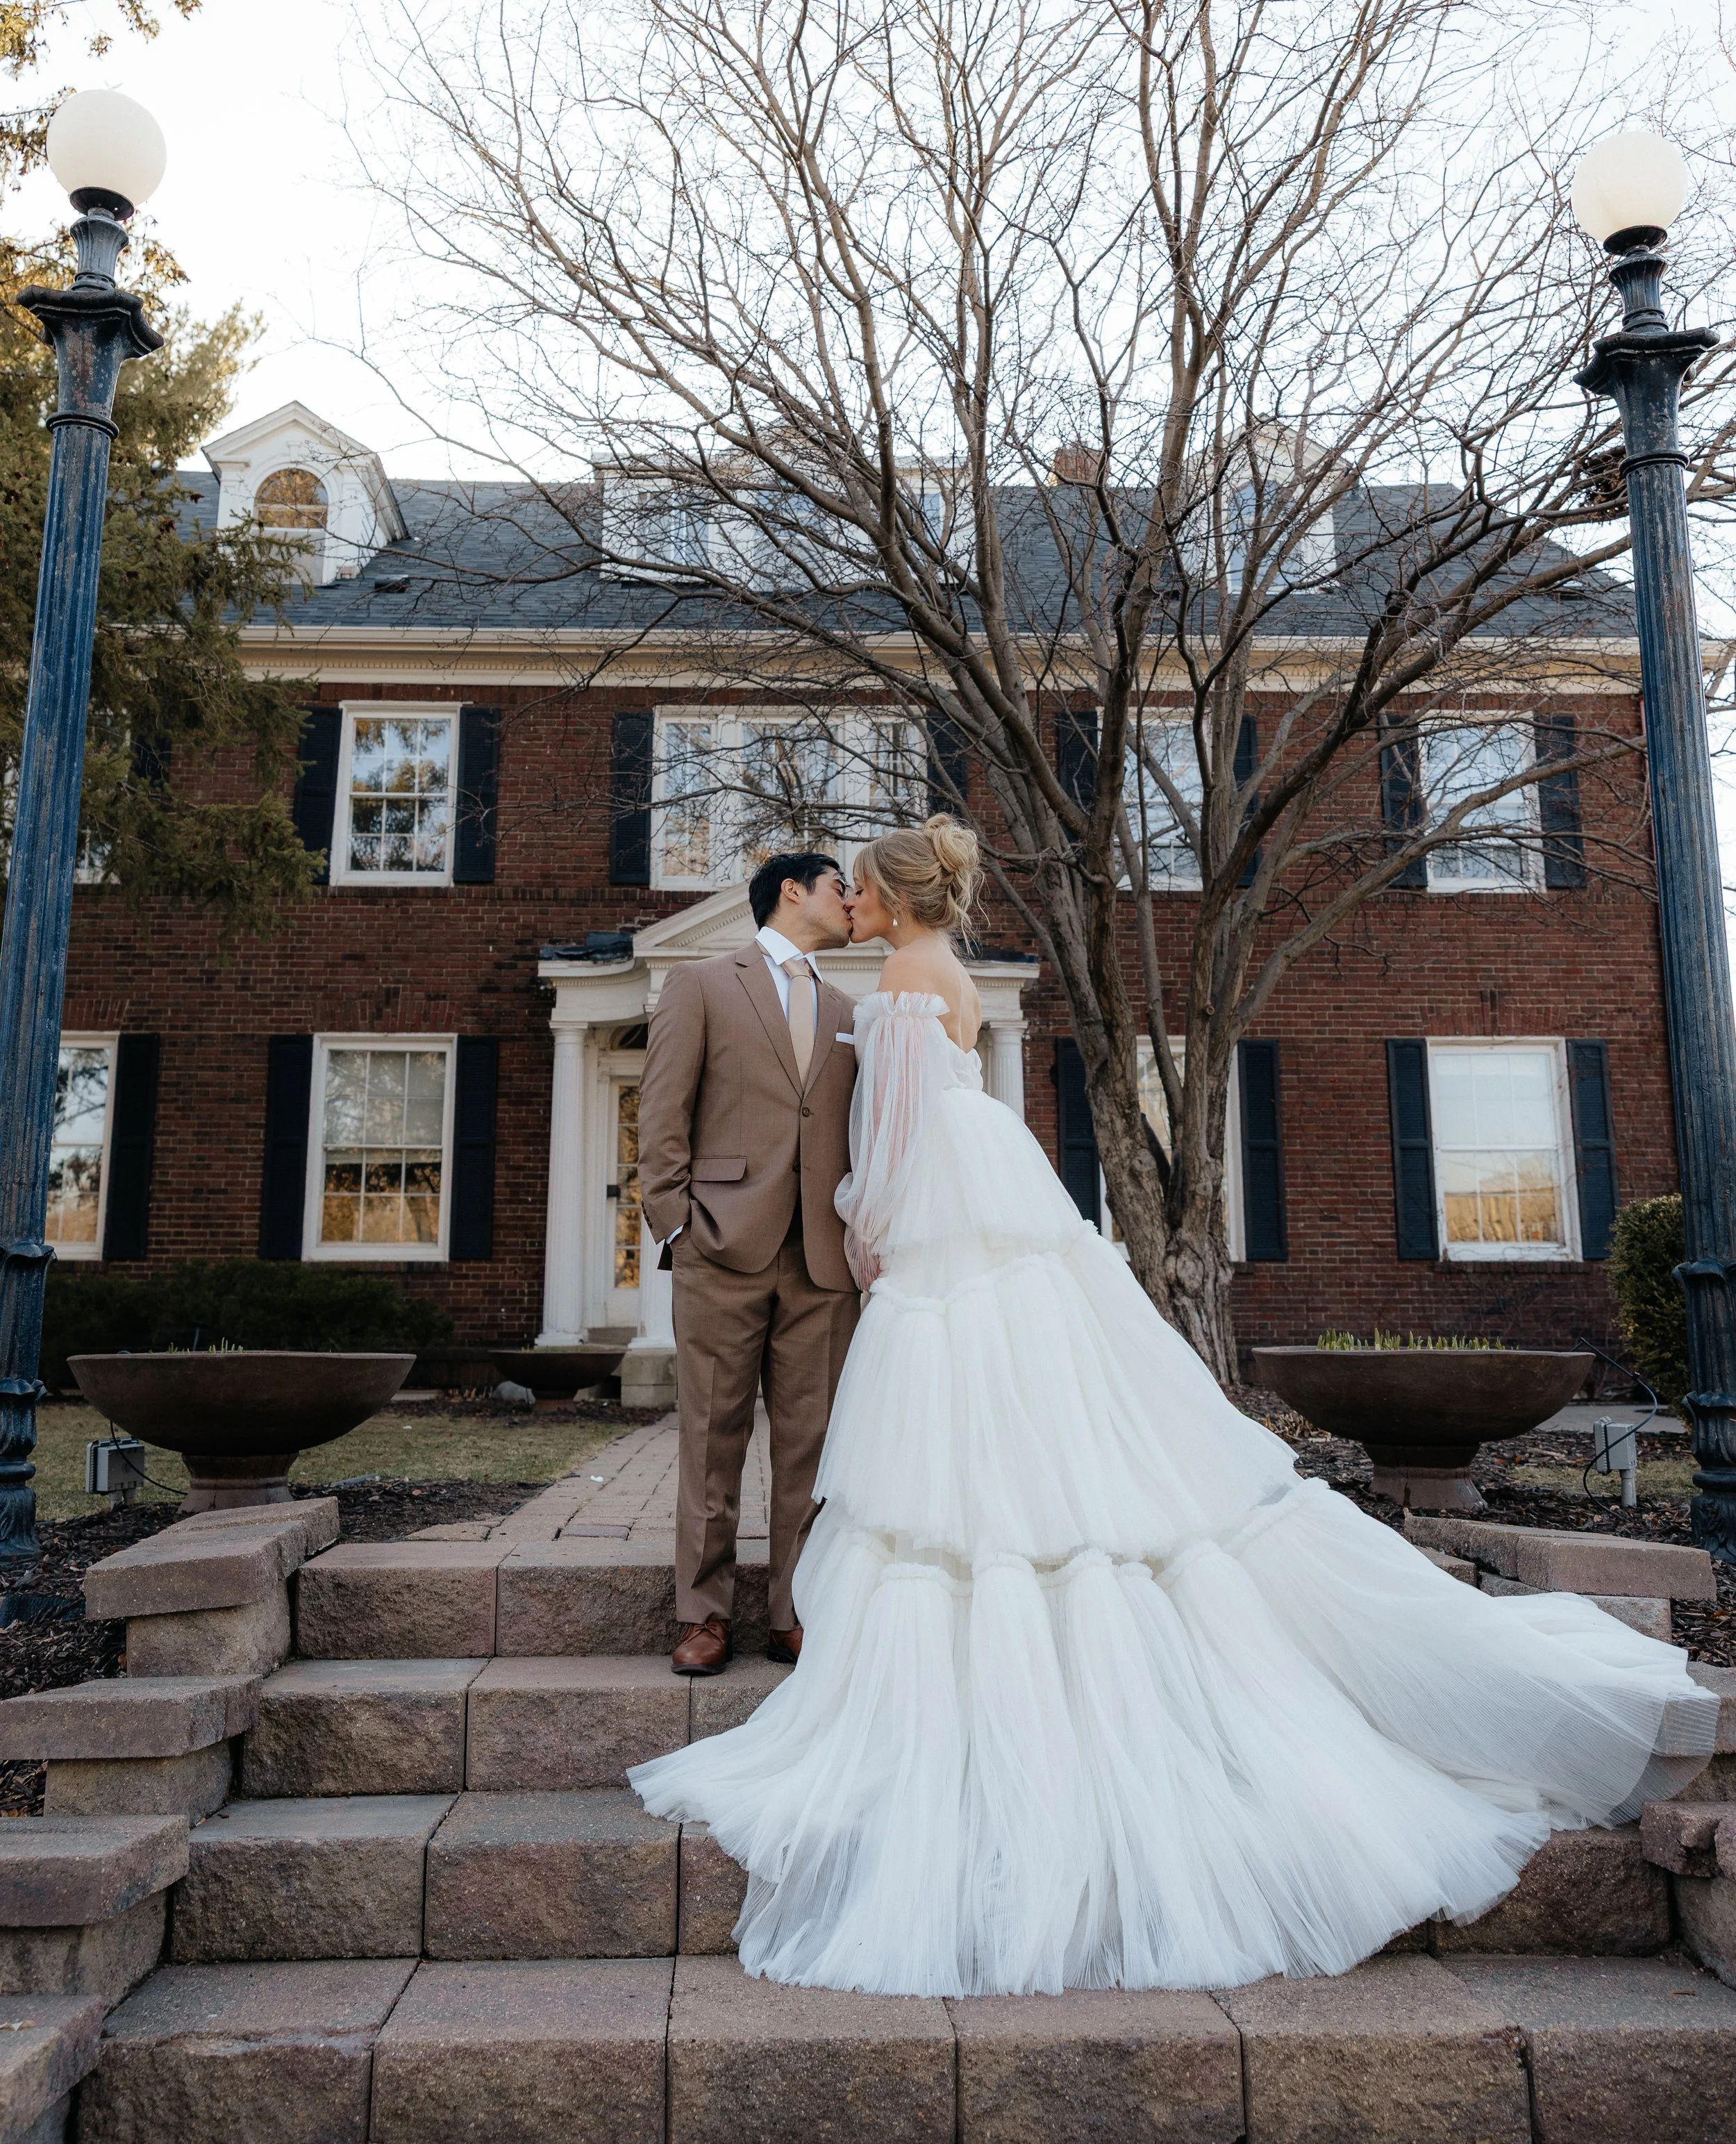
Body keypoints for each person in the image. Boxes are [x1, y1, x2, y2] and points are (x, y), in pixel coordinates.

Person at [632, 814, 1717, 1996]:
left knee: (896, 1457)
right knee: (941, 1443)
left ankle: (814, 1612)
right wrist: (687, 1220)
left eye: (860, 889)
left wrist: (865, 1225)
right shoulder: (907, 976)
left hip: (906, 1243)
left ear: (887, 901)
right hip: (893, 1220)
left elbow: (885, 1140)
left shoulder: (889, 984)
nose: (848, 901)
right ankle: (740, 1603)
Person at [637, 849, 860, 1675]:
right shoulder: (701, 984)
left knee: (812, 1444)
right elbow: (662, 1116)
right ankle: (703, 1615)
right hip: (719, 1247)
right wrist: (676, 1227)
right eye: (843, 886)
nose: (853, 901)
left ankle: (792, 1612)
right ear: (792, 891)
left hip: (821, 1262)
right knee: (710, 1436)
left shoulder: (847, 1007)